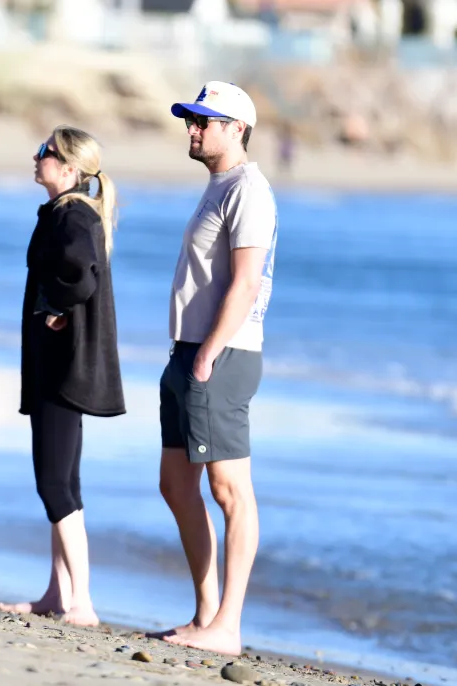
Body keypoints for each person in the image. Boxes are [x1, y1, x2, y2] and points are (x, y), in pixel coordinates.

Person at [155, 81, 278, 654]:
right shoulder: (217, 186)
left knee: (231, 490)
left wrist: (207, 354)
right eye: (191, 119)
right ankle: (206, 614)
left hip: (221, 355)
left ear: (237, 129)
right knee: (176, 483)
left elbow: (247, 282)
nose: (193, 128)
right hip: (190, 351)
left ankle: (227, 625)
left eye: (205, 121)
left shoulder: (250, 190)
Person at [0, 126, 125, 626]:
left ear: (69, 169)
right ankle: (58, 592)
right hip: (59, 364)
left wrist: (56, 305)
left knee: (56, 484)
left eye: (45, 153)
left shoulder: (72, 214)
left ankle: (83, 602)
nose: (36, 157)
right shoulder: (68, 211)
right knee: (61, 481)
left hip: (64, 367)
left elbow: (81, 271)